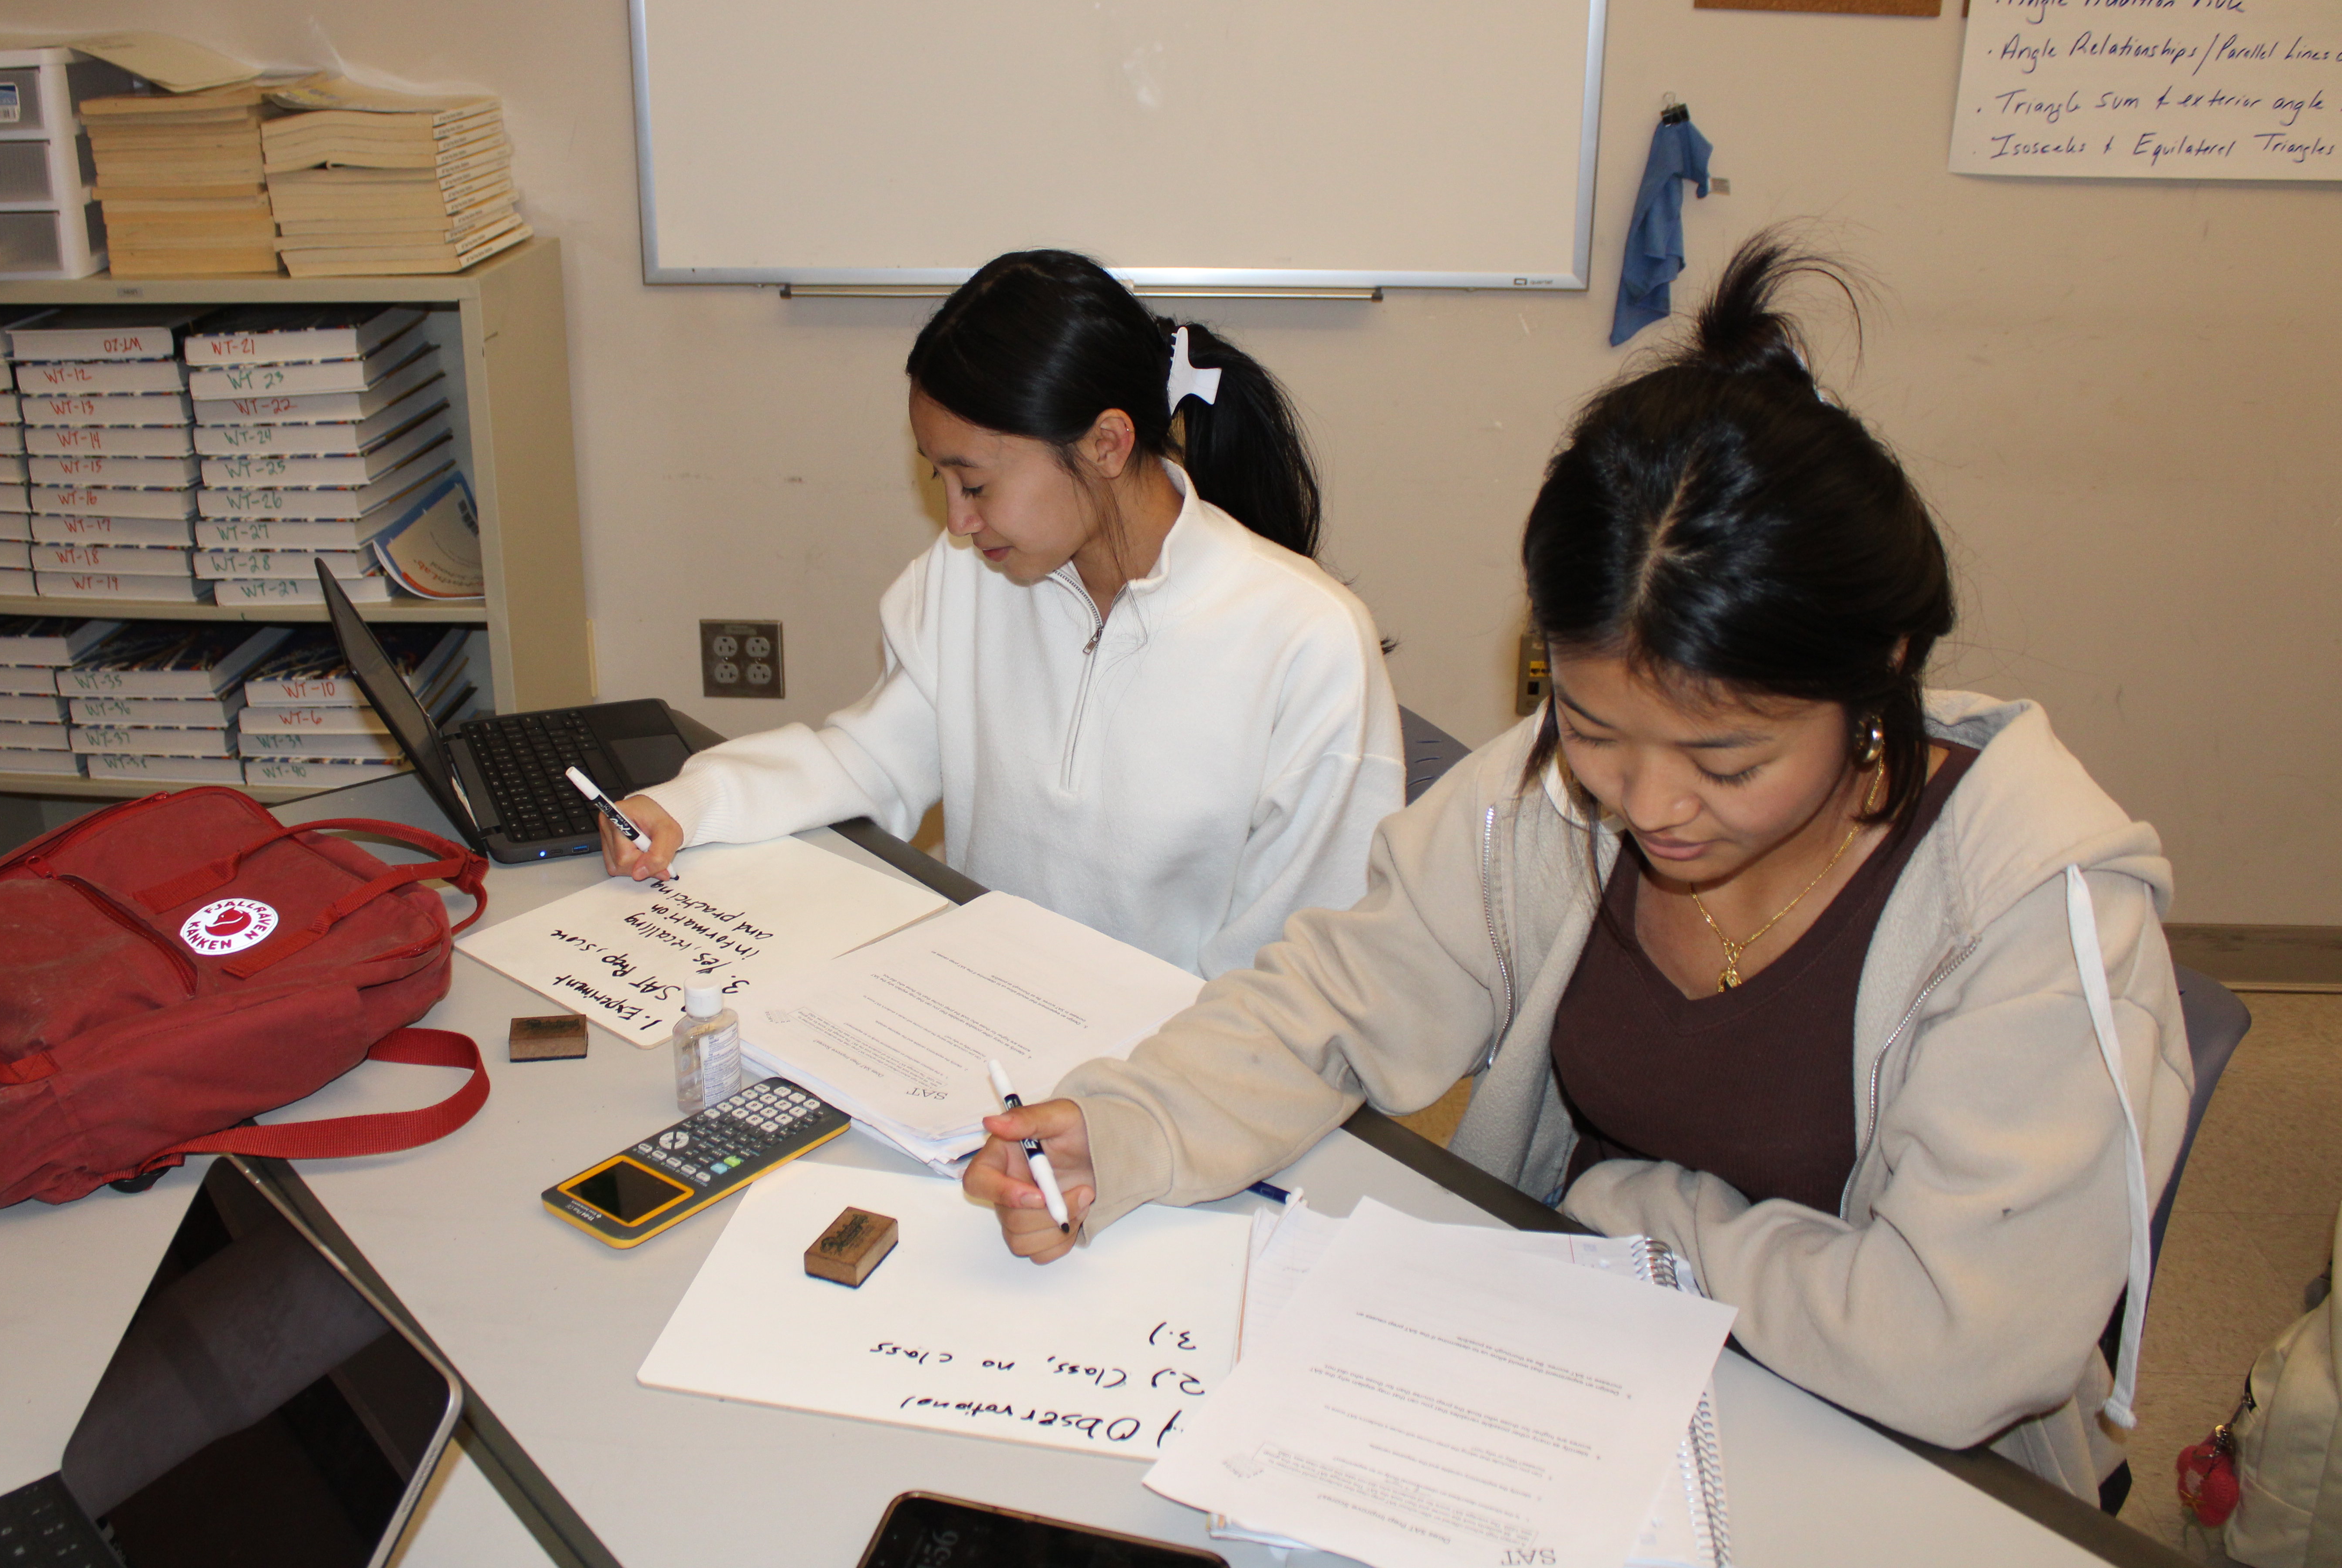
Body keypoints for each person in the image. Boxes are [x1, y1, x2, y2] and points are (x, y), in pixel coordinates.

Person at [963, 236, 2193, 1504]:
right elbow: (1334, 999)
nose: (1650, 807)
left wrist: (1641, 1212)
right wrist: (1132, 1127)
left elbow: (1951, 1350)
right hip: (1586, 1383)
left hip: (1903, 1473)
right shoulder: (1547, 800)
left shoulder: (2031, 913)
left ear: (1875, 671)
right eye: (1598, 730)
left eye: (1727, 758)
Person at [604, 249, 1404, 978]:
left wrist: (1139, 1107)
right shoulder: (966, 580)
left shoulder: (1306, 641)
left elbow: (1300, 975)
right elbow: (870, 760)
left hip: (1170, 1082)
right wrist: (688, 804)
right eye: (939, 481)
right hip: (983, 1025)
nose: (955, 522)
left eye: (975, 484)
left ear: (1108, 445)